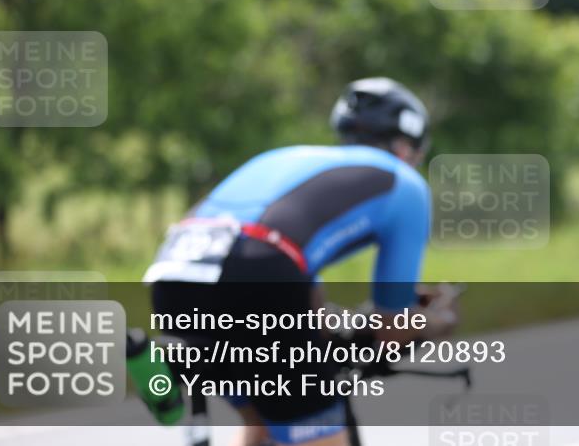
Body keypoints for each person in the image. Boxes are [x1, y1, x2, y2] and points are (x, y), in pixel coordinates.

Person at [143, 77, 458, 446]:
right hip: (258, 273)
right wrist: (439, 321)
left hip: (173, 276)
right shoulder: (404, 183)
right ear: (406, 149)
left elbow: (306, 305)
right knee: (316, 430)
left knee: (262, 421)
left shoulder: (294, 162)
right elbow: (392, 329)